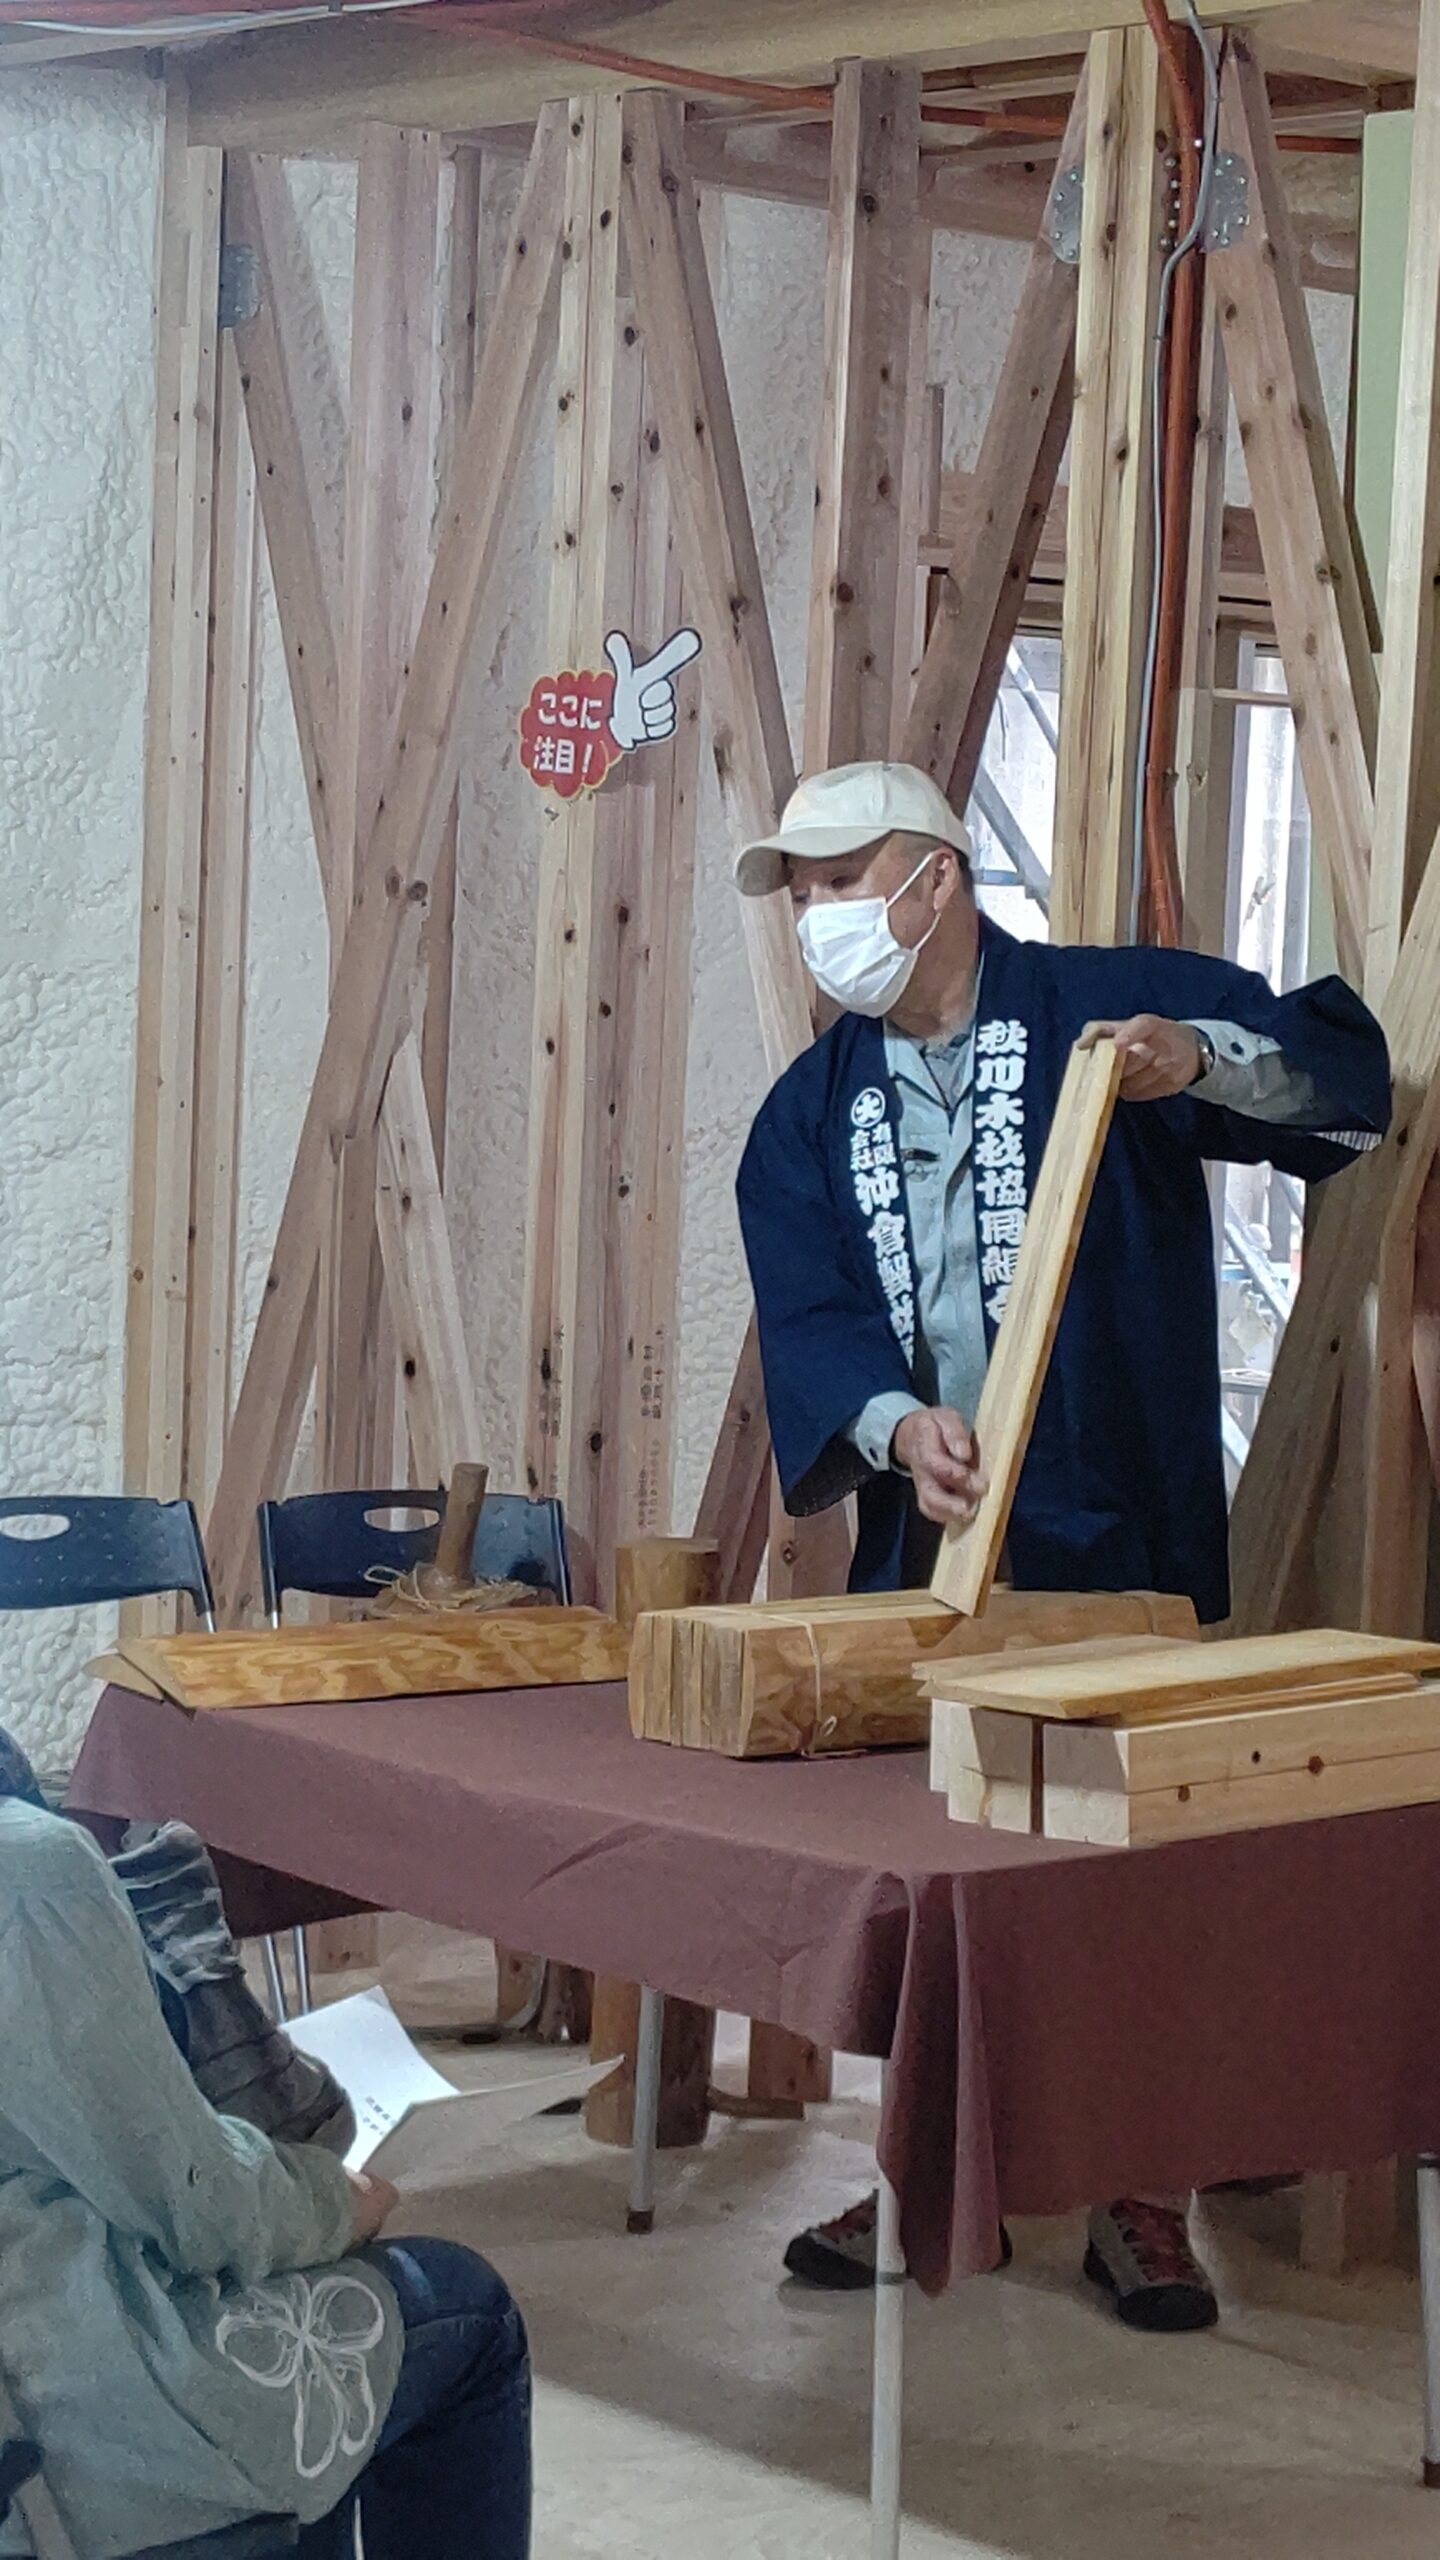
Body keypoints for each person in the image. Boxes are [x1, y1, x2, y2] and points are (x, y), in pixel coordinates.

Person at [734, 759, 1391, 2332]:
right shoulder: (809, 1112)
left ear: (937, 879)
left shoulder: (1108, 1017)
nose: (820, 918)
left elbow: (1341, 1077)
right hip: (936, 1553)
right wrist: (895, 1424)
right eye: (803, 893)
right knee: (937, 1877)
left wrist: (1199, 1061)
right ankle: (923, 2173)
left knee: (1127, 1875)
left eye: (844, 882)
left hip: (1118, 1527)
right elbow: (809, 1312)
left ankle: (1138, 2190)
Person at [0, 1769, 531, 2560]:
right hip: (57, 2413)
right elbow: (191, 2199)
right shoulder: (28, 1866)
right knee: (465, 2309)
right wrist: (330, 2201)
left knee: (314, 2302)